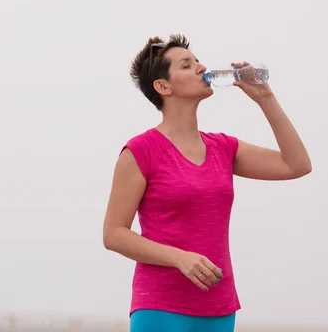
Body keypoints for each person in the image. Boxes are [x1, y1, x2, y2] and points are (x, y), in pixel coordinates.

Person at [102, 34, 312, 332]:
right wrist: (178, 258)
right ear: (163, 86)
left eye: (197, 61)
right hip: (161, 306)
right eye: (187, 65)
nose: (201, 67)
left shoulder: (223, 148)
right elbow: (113, 234)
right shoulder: (140, 151)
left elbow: (297, 164)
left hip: (219, 307)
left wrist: (265, 98)